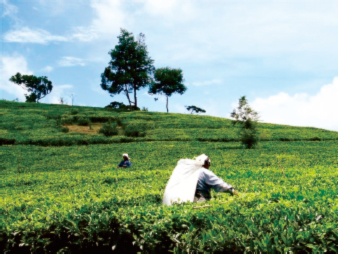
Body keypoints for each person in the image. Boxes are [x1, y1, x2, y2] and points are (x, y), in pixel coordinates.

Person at [163, 154, 237, 206]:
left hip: (186, 201)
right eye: (208, 163)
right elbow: (218, 184)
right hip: (200, 201)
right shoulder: (203, 172)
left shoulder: (191, 171)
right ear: (206, 163)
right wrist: (232, 190)